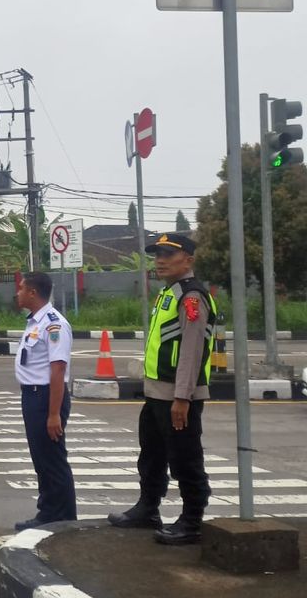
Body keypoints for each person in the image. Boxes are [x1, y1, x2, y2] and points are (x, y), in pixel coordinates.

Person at [109, 233, 215, 545]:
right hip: (157, 393)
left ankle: (192, 521)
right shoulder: (169, 293)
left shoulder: (192, 297)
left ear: (189, 259)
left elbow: (192, 351)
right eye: (157, 254)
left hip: (177, 396)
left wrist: (182, 397)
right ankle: (148, 509)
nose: (160, 260)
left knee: (185, 459)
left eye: (169, 254)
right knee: (151, 455)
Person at [13, 271, 77, 531]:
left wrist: (53, 414)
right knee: (42, 458)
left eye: (21, 288)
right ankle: (49, 511)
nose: (17, 293)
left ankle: (63, 517)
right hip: (32, 395)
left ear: (32, 292)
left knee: (52, 458)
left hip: (45, 398)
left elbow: (58, 371)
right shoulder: (35, 322)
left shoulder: (54, 324)